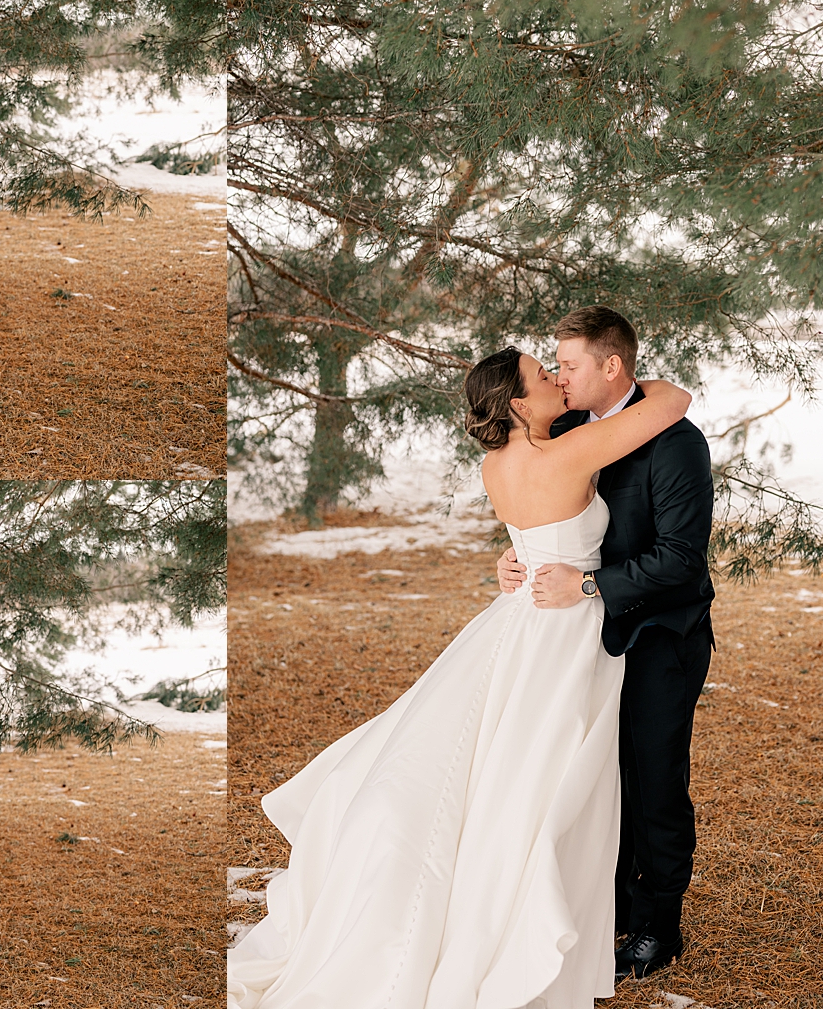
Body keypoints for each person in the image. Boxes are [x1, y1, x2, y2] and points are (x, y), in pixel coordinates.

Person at [227, 342, 694, 1009]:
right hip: (562, 628)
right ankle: (522, 916)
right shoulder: (567, 453)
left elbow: (535, 528)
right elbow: (673, 400)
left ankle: (553, 902)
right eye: (544, 375)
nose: (557, 379)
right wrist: (617, 378)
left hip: (518, 613)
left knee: (499, 768)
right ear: (518, 405)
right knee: (538, 779)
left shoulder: (493, 464)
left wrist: (516, 557)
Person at [496, 305, 716, 979]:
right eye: (554, 367)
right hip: (582, 641)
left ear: (611, 365)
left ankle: (658, 927)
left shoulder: (676, 443)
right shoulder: (565, 429)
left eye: (568, 364)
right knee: (595, 776)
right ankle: (609, 906)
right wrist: (517, 561)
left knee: (653, 782)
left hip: (659, 634)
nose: (559, 377)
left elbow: (681, 558)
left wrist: (588, 585)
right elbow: (546, 514)